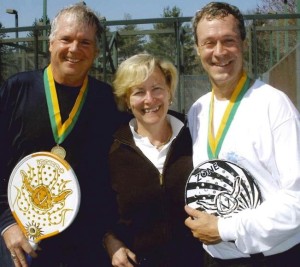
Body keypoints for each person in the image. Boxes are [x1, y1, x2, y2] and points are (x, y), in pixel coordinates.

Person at [0, 4, 124, 267]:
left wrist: (109, 232)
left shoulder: (105, 99)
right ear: (51, 43)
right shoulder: (16, 89)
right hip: (21, 237)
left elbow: (111, 175)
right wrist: (5, 223)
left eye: (85, 42)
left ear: (96, 51)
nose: (74, 49)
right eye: (66, 39)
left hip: (85, 242)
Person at [184, 2, 300, 267]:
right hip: (215, 257)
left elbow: (296, 199)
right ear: (198, 49)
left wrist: (225, 228)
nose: (219, 52)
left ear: (244, 44)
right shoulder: (197, 110)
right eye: (209, 43)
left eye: (229, 40)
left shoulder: (274, 104)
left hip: (272, 258)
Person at [102, 53, 204, 267]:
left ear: (169, 92)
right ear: (127, 101)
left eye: (157, 88)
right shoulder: (112, 150)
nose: (150, 100)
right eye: (139, 92)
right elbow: (100, 210)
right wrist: (110, 241)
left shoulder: (197, 137)